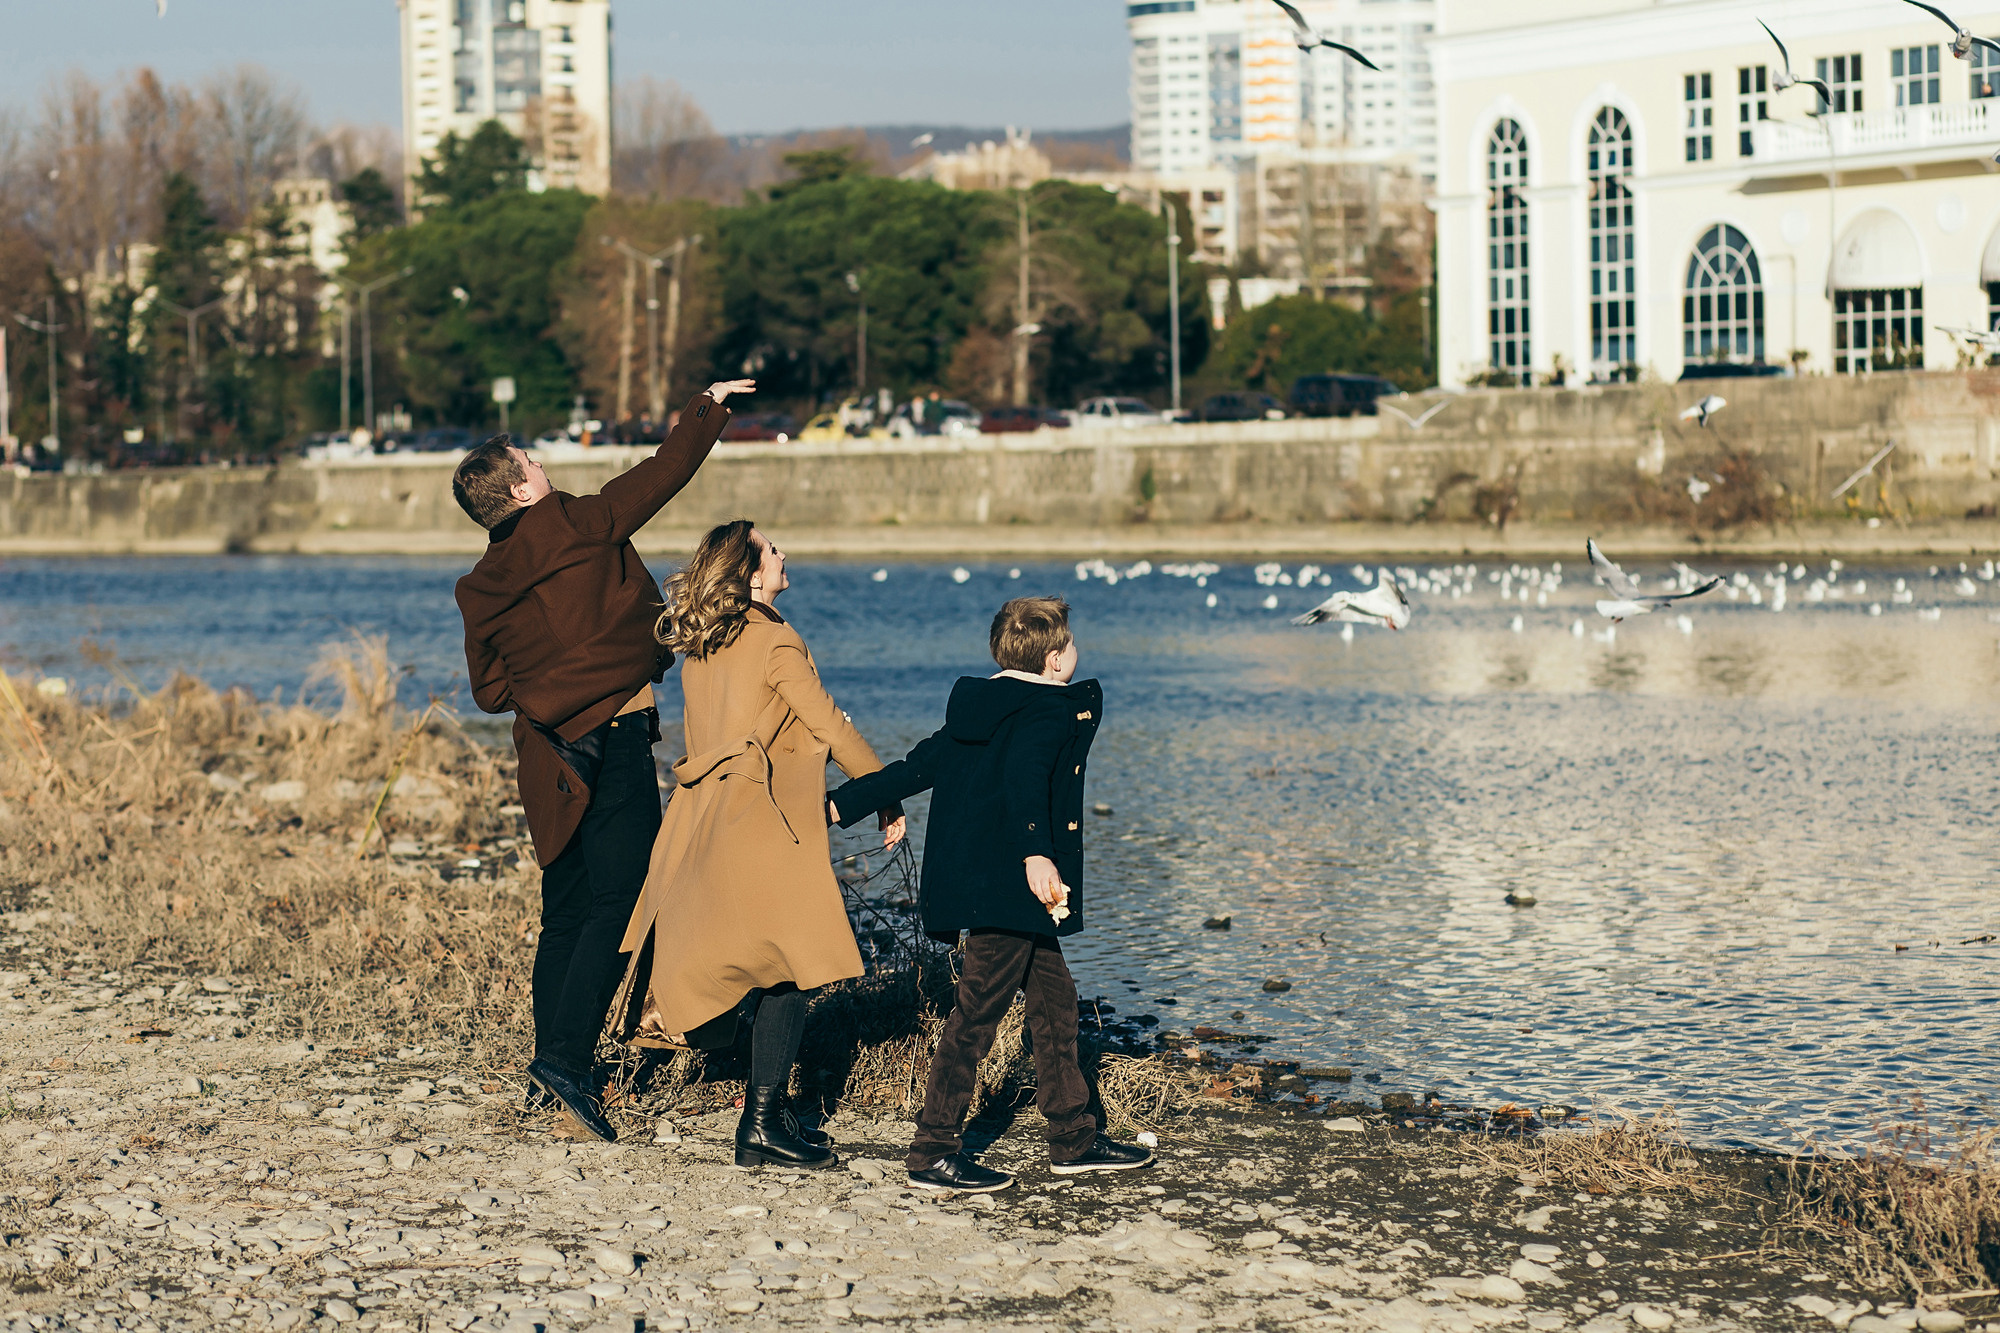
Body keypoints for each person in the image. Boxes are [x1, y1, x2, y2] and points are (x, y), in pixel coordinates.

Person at [451, 380, 754, 1143]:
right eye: (531, 460)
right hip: (613, 738)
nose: (542, 463)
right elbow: (665, 471)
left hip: (546, 755)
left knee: (567, 912)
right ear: (520, 489)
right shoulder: (578, 521)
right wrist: (708, 404)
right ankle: (565, 1059)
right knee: (619, 900)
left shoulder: (479, 585)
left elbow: (489, 691)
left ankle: (545, 1069)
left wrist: (552, 687)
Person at [828, 596, 1154, 1192]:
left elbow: (916, 766)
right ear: (1055, 660)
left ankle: (1073, 1138)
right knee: (977, 1014)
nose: (1076, 651)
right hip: (1012, 886)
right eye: (1071, 643)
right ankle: (933, 1150)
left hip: (988, 885)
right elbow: (1026, 779)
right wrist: (1036, 853)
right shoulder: (1048, 709)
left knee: (1055, 1004)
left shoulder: (978, 709)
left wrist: (838, 804)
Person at [613, 520, 903, 1170]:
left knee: (752, 961)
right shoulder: (776, 639)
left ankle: (768, 1113)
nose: (783, 552)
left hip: (702, 817)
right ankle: (763, 1122)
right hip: (762, 819)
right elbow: (827, 722)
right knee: (787, 964)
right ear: (749, 573)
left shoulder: (704, 643)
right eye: (772, 549)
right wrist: (885, 790)